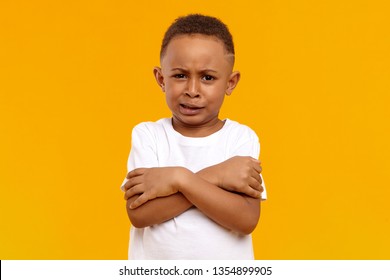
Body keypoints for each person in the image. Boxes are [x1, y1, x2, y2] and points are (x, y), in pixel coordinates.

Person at [121, 14, 267, 259]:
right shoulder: (148, 135)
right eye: (180, 75)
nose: (192, 91)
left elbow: (246, 219)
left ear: (230, 83)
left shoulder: (240, 138)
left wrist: (179, 179)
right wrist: (214, 176)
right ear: (161, 79)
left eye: (207, 78)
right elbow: (139, 214)